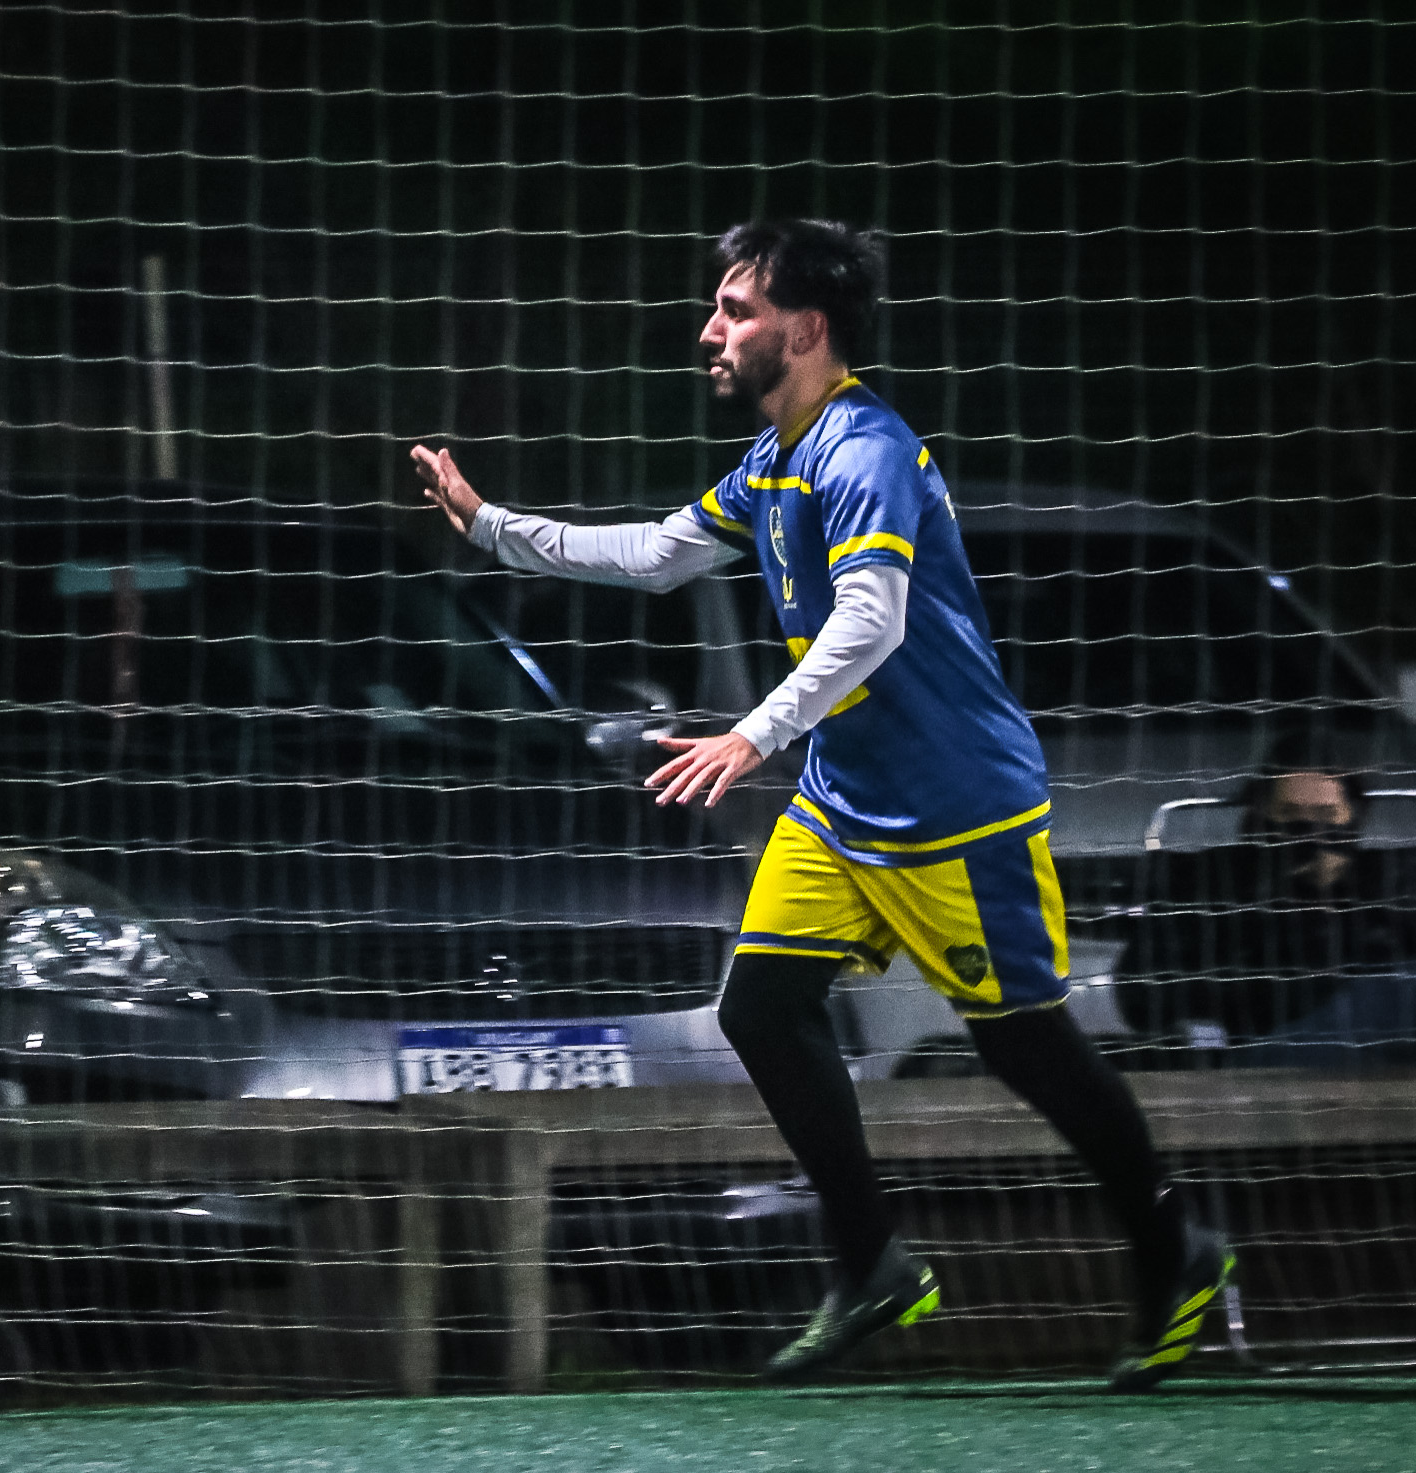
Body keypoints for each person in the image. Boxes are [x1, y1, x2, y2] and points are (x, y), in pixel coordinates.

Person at [412, 218, 1231, 1390]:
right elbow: (657, 555)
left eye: (735, 309)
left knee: (1027, 1046)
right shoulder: (774, 459)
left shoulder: (865, 449)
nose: (710, 329)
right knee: (761, 1004)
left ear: (802, 328)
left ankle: (1171, 1247)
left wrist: (749, 736)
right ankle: (870, 1262)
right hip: (844, 802)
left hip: (955, 806)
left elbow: (870, 621)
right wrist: (494, 528)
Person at [1123, 746, 1416, 1053]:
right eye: (1289, 815)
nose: (1310, 833)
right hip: (1251, 1058)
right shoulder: (1211, 886)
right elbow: (1141, 990)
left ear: (1353, 818)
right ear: (1262, 817)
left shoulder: (1392, 887)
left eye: (1326, 815)